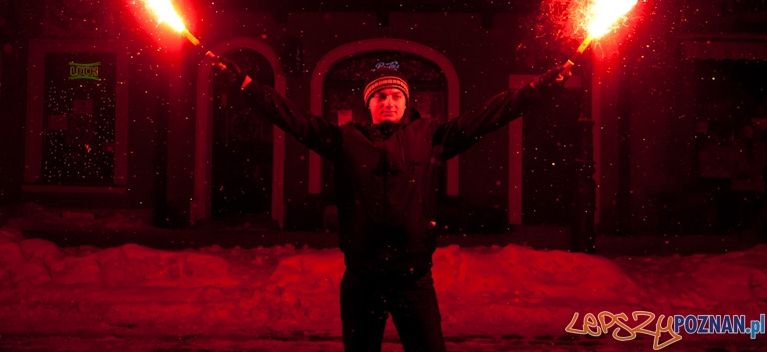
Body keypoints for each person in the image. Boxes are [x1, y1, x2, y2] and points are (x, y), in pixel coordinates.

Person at [218, 56, 571, 351]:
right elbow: (293, 119)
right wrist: (247, 86)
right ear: (368, 105)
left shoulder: (431, 137)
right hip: (362, 279)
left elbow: (487, 117)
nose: (388, 102)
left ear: (406, 104)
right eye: (380, 96)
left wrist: (535, 90)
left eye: (396, 96)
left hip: (413, 280)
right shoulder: (345, 140)